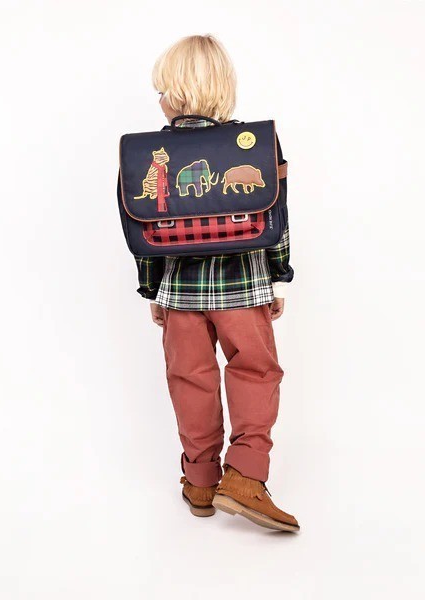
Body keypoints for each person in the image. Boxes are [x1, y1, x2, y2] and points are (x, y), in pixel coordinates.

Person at [133, 34, 299, 532]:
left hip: (179, 293)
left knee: (190, 379)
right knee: (256, 372)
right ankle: (244, 477)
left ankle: (201, 480)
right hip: (244, 285)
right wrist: (278, 276)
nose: (158, 101)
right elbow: (277, 218)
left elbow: (145, 231)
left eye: (160, 91)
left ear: (174, 96)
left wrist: (151, 288)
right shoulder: (256, 144)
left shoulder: (151, 154)